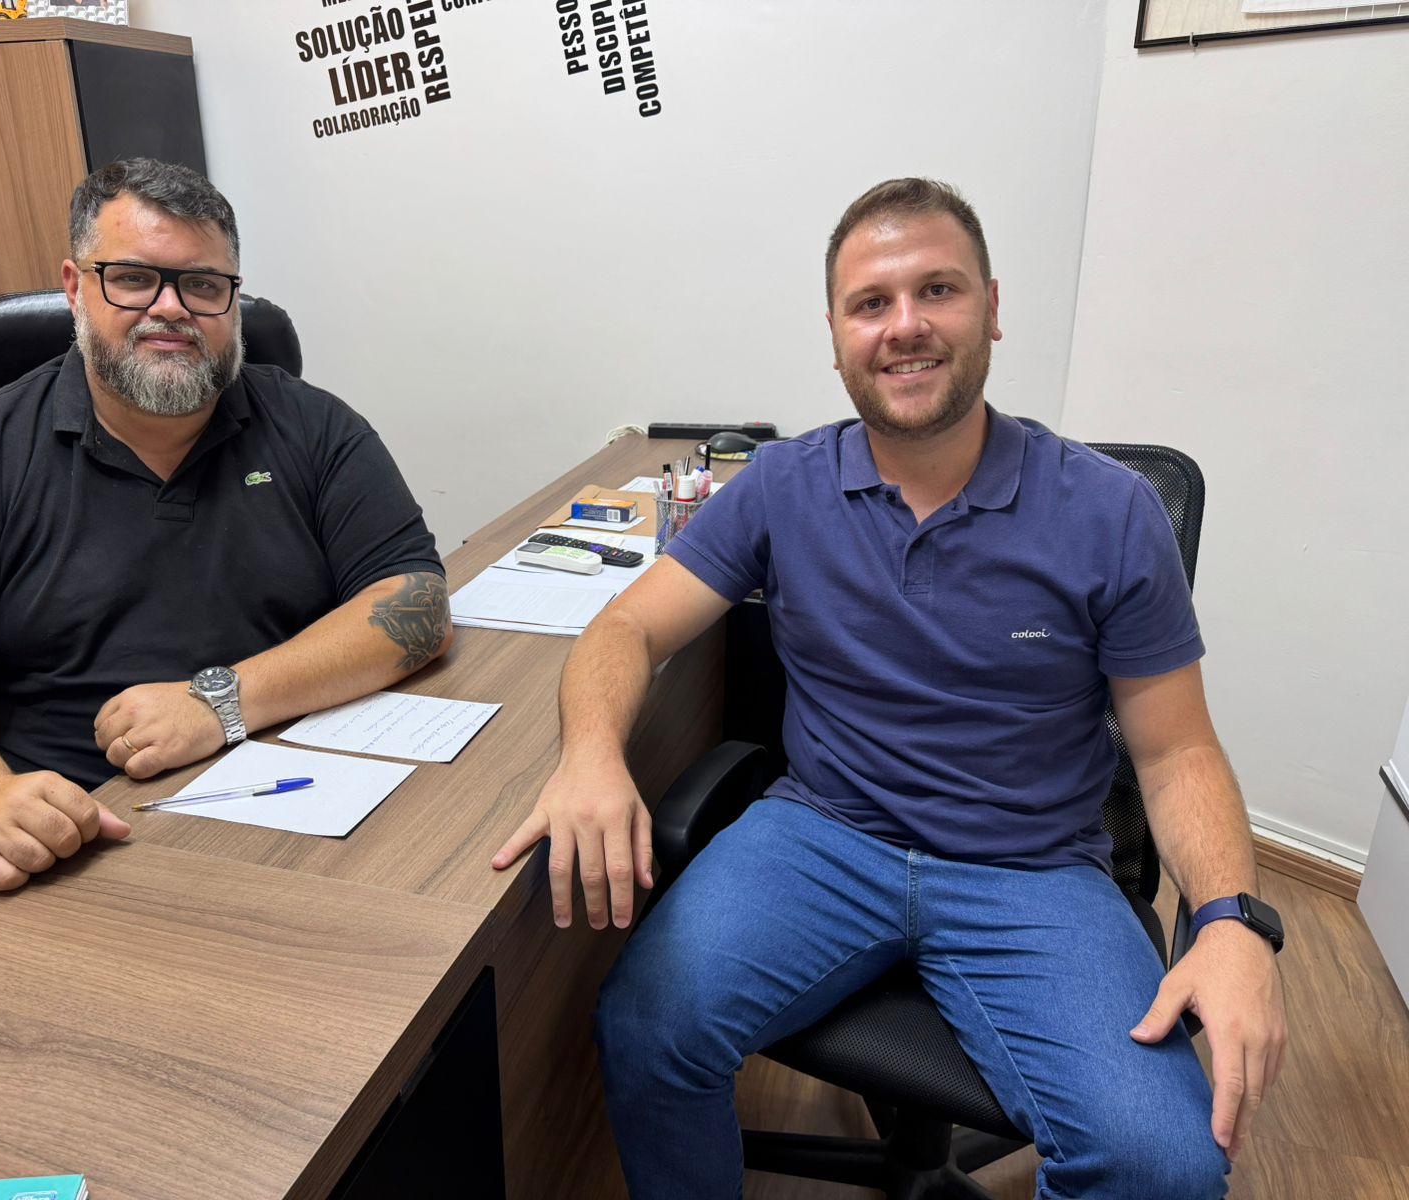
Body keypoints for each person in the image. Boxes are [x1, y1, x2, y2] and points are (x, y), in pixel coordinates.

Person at [492, 179, 1286, 1198]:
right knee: (648, 1032)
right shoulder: (781, 485)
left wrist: (1228, 920)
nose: (904, 325)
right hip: (823, 836)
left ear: (991, 309)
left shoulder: (1110, 511)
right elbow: (626, 628)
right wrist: (592, 754)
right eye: (870, 302)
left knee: (1162, 1167)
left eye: (937, 290)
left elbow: (1177, 752)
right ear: (835, 337)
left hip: (1032, 872)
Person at [0, 158, 450, 893]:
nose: (171, 308)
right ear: (76, 287)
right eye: (132, 278)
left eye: (203, 285)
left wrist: (220, 702)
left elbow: (416, 600)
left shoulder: (316, 426)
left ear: (233, 299)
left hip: (306, 793)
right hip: (82, 839)